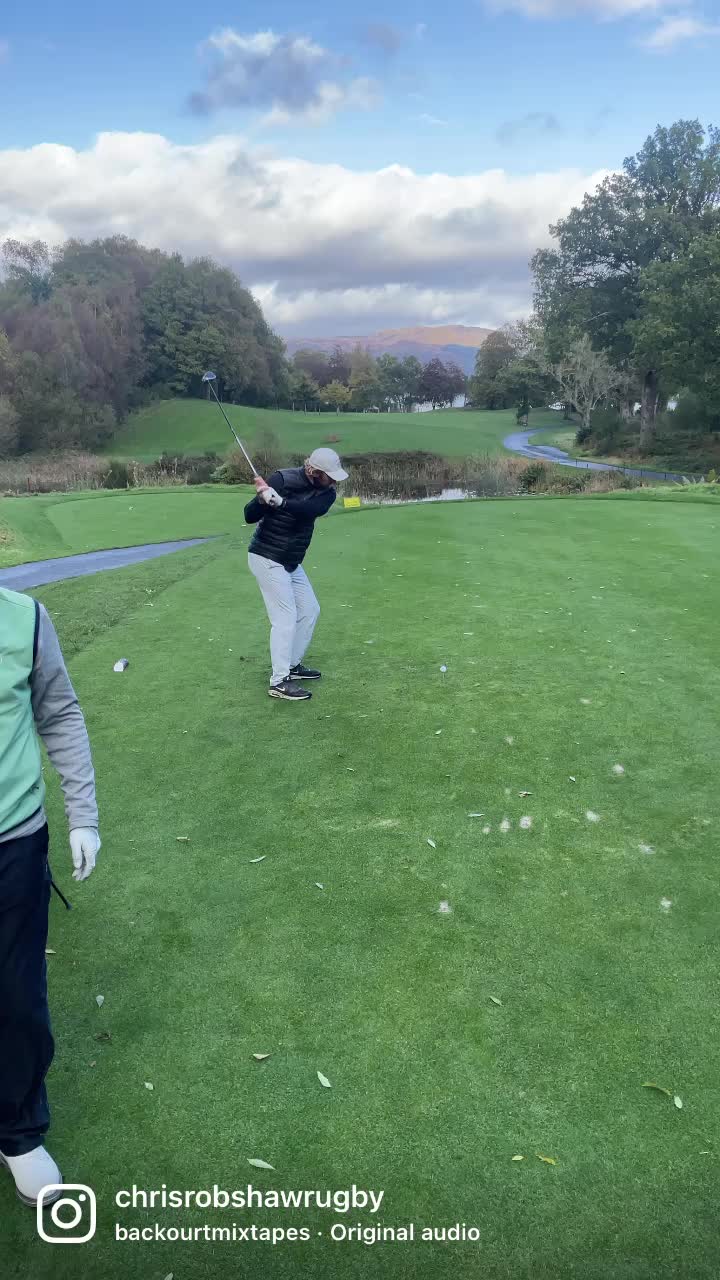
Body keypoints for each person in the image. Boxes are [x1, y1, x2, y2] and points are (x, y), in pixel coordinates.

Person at [0, 586, 100, 1208]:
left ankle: (17, 1131)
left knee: (16, 999)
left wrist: (82, 816)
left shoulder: (24, 619)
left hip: (12, 842)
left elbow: (58, 713)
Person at [245, 447, 348, 701]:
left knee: (310, 610)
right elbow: (249, 515)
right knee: (285, 618)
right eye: (330, 476)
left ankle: (291, 665)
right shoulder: (282, 479)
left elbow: (309, 510)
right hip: (266, 556)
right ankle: (279, 681)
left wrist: (281, 502)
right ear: (314, 471)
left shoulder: (328, 493)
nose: (334, 481)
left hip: (290, 561)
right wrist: (262, 500)